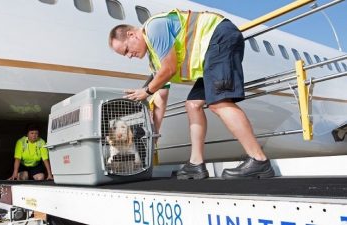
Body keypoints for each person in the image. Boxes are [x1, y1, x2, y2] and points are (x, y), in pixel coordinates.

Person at [108, 9, 275, 180]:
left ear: (131, 35)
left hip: (219, 37)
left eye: (127, 49)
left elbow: (170, 68)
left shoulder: (154, 28)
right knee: (192, 105)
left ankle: (259, 160)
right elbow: (161, 98)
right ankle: (196, 164)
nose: (129, 56)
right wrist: (153, 137)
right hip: (209, 56)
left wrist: (146, 90)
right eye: (125, 55)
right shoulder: (154, 60)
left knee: (219, 102)